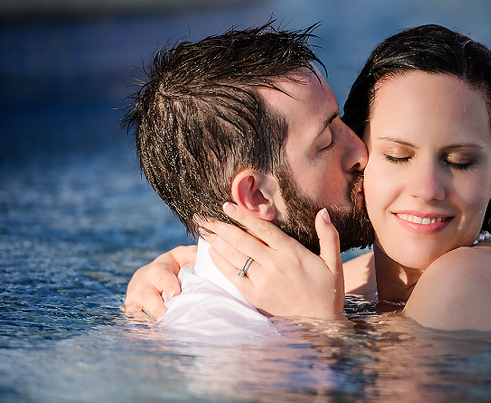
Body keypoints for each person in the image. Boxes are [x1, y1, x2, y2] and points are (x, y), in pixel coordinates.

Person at [126, 25, 491, 332]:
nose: (427, 188)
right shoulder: (352, 278)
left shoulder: (477, 278)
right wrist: (186, 268)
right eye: (396, 155)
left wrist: (319, 324)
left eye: (459, 161)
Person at [120, 21, 373, 333]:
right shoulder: (219, 333)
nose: (361, 151)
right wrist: (322, 326)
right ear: (256, 195)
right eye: (326, 143)